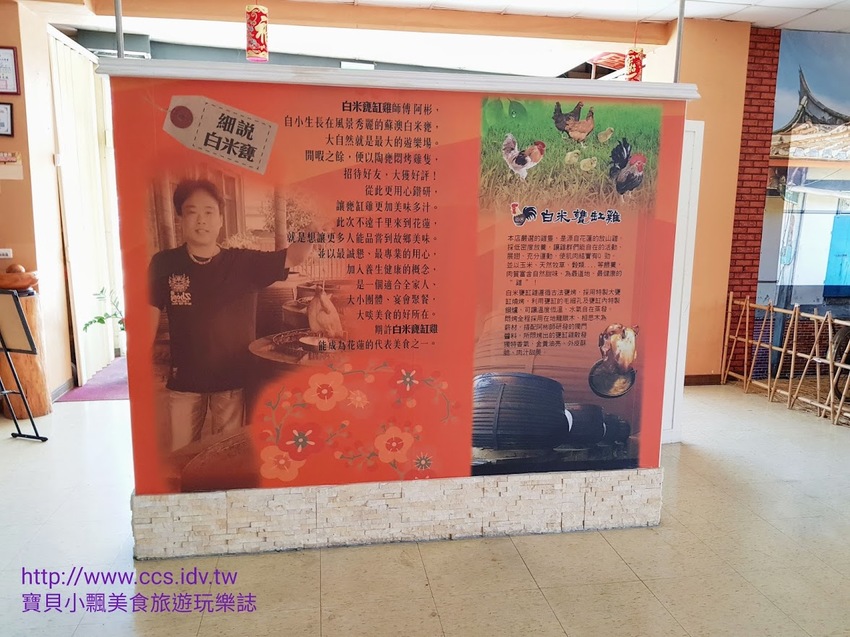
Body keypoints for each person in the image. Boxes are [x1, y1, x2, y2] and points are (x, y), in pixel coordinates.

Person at [148, 178, 312, 452]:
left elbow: (294, 256)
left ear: (221, 220)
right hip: (184, 380)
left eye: (209, 212)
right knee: (180, 455)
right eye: (192, 212)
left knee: (224, 454)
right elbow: (148, 315)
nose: (201, 220)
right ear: (180, 219)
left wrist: (314, 227)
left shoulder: (244, 263)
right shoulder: (164, 263)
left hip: (231, 380)